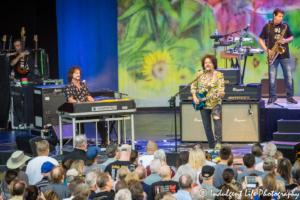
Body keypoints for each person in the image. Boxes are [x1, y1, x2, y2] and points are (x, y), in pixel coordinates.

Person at [258, 7, 297, 104]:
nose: (281, 18)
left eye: (282, 16)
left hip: (284, 55)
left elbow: (291, 38)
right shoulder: (267, 27)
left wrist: (284, 40)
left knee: (288, 77)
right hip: (272, 55)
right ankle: (272, 98)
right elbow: (260, 40)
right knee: (272, 78)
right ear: (274, 15)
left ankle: (290, 97)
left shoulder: (284, 26)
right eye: (279, 16)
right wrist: (267, 50)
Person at [64, 66, 107, 144]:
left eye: (79, 73)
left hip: (87, 109)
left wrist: (93, 104)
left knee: (100, 120)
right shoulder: (68, 86)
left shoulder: (83, 85)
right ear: (71, 75)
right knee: (80, 122)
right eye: (76, 73)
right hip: (78, 110)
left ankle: (105, 142)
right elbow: (70, 99)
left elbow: (89, 97)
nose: (78, 75)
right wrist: (79, 104)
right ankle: (81, 144)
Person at [191, 54, 225, 150]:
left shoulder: (219, 75)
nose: (207, 64)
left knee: (216, 118)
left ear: (213, 64)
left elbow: (222, 91)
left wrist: (218, 94)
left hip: (215, 102)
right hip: (203, 103)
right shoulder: (199, 74)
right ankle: (211, 145)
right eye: (206, 63)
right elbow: (193, 86)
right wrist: (194, 97)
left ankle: (218, 142)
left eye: (209, 62)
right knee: (207, 126)